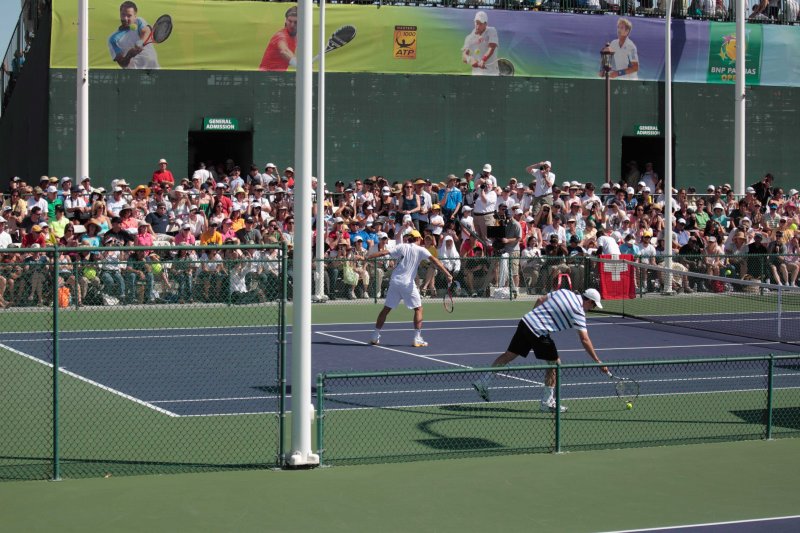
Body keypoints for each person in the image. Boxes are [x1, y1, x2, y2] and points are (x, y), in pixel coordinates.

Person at [471, 288, 607, 412]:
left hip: (526, 322)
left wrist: (534, 318)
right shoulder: (578, 312)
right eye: (593, 305)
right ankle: (547, 403)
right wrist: (598, 361)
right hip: (539, 332)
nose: (591, 308)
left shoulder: (565, 292)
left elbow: (540, 299)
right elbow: (585, 339)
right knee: (555, 364)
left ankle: (483, 381)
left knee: (510, 354)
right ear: (588, 300)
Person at [368, 230, 453, 347]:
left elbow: (383, 253)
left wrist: (367, 257)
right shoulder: (421, 249)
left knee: (386, 309)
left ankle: (375, 336)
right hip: (407, 284)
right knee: (418, 309)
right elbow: (436, 261)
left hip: (395, 282)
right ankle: (417, 338)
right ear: (418, 239)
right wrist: (448, 274)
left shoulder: (401, 246)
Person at [108, 1, 160, 69]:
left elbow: (146, 31)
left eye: (129, 15)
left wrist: (141, 41)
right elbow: (122, 64)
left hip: (153, 70)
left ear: (135, 16)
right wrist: (129, 55)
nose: (125, 18)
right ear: (120, 14)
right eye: (123, 14)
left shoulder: (139, 21)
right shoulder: (113, 39)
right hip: (132, 76)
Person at [259, 6, 298, 71]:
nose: (292, 25)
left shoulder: (296, 36)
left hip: (278, 76)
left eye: (295, 22)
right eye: (290, 21)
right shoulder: (281, 36)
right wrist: (299, 64)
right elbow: (284, 51)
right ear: (286, 21)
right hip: (264, 77)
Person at [461, 11, 499, 76]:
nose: (478, 26)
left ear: (485, 24)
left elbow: (492, 47)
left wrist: (483, 60)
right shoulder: (469, 38)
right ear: (474, 22)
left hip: (492, 74)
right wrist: (470, 59)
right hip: (476, 74)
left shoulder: (492, 31)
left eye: (480, 24)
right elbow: (464, 57)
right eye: (477, 23)